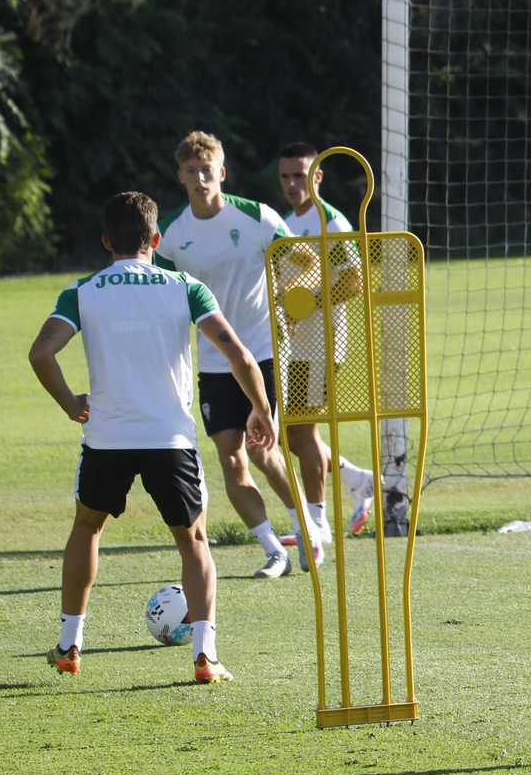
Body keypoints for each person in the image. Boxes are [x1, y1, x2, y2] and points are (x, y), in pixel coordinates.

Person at [28, 191, 274, 683]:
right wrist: (261, 409)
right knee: (194, 541)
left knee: (87, 529)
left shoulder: (83, 291)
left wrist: (71, 404)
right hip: (170, 439)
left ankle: (69, 645)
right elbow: (242, 357)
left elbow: (40, 353)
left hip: (107, 438)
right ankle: (205, 656)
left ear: (105, 241)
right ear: (156, 240)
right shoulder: (185, 287)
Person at [155, 130, 300, 577]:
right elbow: (163, 297)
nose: (200, 178)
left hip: (261, 354)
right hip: (216, 365)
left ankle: (308, 527)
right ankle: (275, 550)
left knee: (263, 452)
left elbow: (305, 261)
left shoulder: (257, 217)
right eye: (191, 171)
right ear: (180, 176)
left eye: (207, 170)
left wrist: (290, 295)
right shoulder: (173, 234)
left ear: (222, 171)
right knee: (232, 459)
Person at [274, 141, 376, 547]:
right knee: (289, 436)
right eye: (285, 176)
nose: (292, 183)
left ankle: (318, 526)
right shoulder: (285, 221)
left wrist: (310, 304)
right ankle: (359, 480)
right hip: (293, 348)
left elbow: (355, 278)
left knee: (302, 432)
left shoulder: (328, 222)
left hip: (321, 348)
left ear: (317, 177)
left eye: (300, 175)